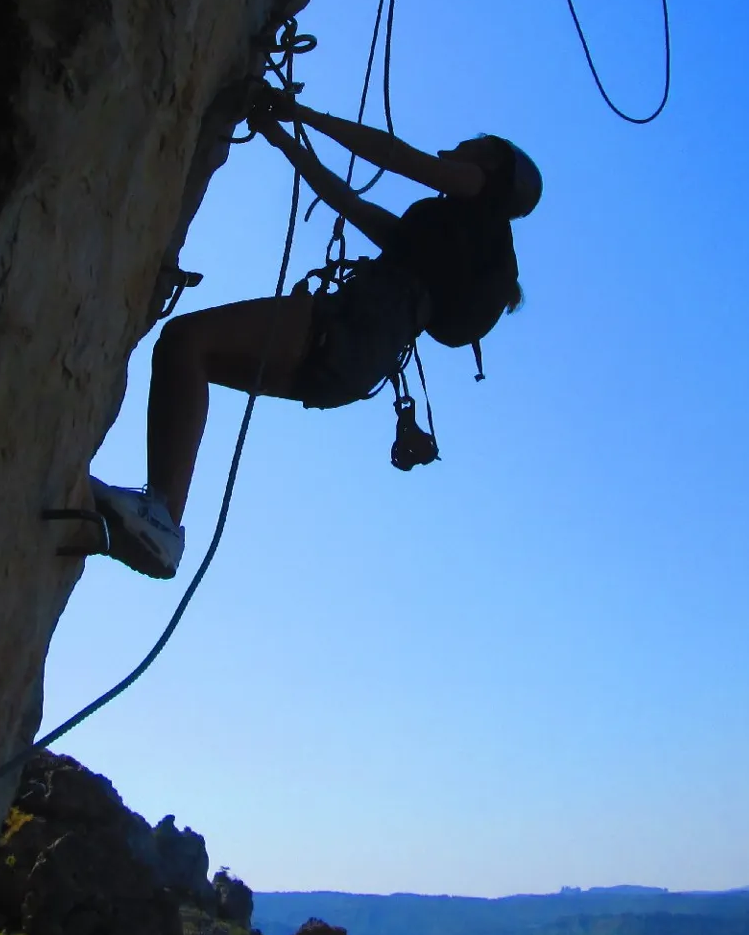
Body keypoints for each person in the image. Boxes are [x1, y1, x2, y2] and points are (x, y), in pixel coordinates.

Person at [88, 91, 543, 578]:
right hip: (357, 365)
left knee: (185, 341)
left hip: (351, 324)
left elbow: (395, 157)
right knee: (189, 355)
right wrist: (282, 136)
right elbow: (348, 202)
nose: (457, 148)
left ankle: (162, 515)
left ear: (491, 162)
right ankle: (161, 522)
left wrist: (300, 113)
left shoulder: (478, 195)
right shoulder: (449, 244)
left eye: (472, 146)